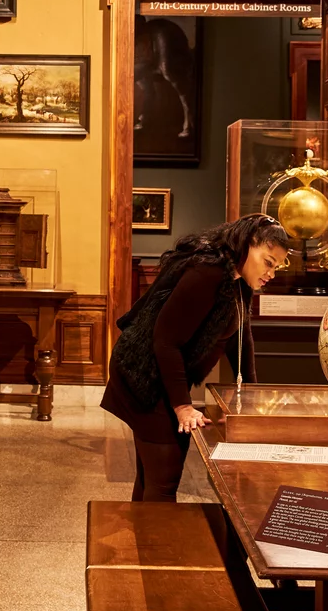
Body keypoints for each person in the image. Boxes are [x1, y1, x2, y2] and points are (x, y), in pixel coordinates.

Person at [102, 213, 291, 501]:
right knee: (164, 476)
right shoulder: (208, 273)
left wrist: (252, 396)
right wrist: (182, 407)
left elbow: (240, 339)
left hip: (160, 375)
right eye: (268, 262)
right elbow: (165, 341)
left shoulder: (239, 281)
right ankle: (157, 544)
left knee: (153, 473)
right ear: (248, 244)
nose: (271, 274)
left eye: (276, 267)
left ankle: (140, 540)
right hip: (144, 376)